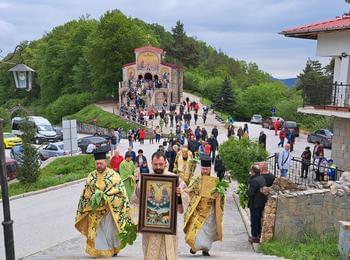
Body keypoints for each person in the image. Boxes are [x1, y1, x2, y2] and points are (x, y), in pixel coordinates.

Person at [75, 149, 133, 257]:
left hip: (109, 210)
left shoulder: (114, 175)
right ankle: (101, 251)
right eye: (97, 163)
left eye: (101, 163)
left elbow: (120, 192)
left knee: (110, 232)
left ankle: (113, 248)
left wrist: (107, 197)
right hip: (95, 211)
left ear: (105, 162)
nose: (99, 165)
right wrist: (93, 198)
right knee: (98, 232)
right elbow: (86, 193)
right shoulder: (91, 176)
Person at [139, 152, 186, 260]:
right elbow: (135, 201)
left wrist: (179, 195)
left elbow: (184, 199)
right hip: (149, 227)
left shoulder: (175, 179)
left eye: (160, 164)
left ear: (165, 163)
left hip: (168, 228)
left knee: (167, 255)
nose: (158, 167)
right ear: (151, 163)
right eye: (155, 164)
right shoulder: (145, 180)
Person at [183, 157, 224, 256]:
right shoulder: (196, 179)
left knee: (208, 230)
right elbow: (189, 190)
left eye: (207, 169)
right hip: (198, 208)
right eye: (203, 169)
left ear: (210, 169)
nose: (205, 171)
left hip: (210, 210)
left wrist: (218, 195)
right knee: (196, 230)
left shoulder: (215, 180)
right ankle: (194, 247)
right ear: (201, 168)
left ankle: (206, 249)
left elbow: (221, 196)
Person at [247, 164, 266, 244]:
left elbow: (250, 193)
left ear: (253, 172)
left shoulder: (254, 181)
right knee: (258, 219)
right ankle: (258, 234)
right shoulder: (262, 178)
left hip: (254, 203)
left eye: (251, 171)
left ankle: (254, 236)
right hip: (261, 203)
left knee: (254, 220)